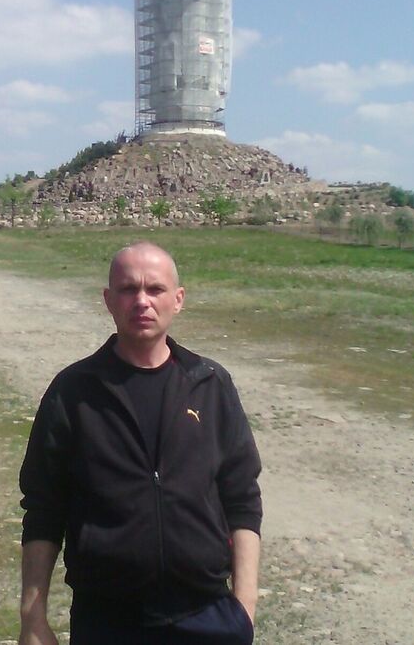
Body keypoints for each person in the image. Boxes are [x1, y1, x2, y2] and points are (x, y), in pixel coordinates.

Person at [18, 242, 261, 645]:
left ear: (178, 299)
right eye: (129, 289)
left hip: (207, 615)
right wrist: (32, 618)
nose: (142, 301)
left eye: (155, 289)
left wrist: (244, 608)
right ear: (108, 300)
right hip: (108, 620)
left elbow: (242, 497)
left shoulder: (209, 384)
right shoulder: (74, 392)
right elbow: (44, 508)